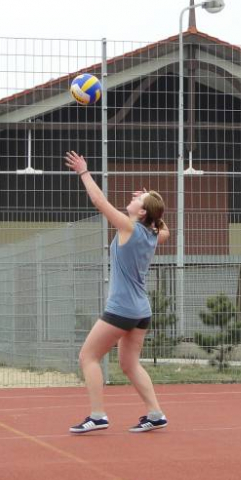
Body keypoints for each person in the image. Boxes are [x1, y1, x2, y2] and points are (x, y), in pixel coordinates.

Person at [64, 150, 170, 434]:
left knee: (88, 356)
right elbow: (165, 230)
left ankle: (98, 415)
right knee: (129, 364)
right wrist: (152, 200)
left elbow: (99, 201)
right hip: (141, 311)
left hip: (122, 308)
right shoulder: (154, 234)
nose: (134, 198)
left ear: (143, 212)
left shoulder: (129, 227)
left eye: (139, 200)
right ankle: (155, 413)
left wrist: (84, 172)